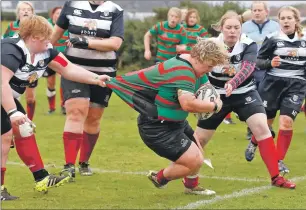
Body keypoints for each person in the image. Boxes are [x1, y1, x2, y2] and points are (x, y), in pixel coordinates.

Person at [1, 15, 110, 200]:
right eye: (45, 38)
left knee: (23, 130)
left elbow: (68, 68)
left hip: (7, 96)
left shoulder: (45, 51)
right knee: (4, 138)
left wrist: (95, 78)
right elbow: (1, 83)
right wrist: (12, 112)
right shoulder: (11, 50)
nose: (49, 42)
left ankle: (41, 178)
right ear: (33, 37)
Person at [106, 37, 228, 194]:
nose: (210, 70)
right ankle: (159, 178)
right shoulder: (182, 71)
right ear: (200, 57)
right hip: (157, 127)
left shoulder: (192, 64)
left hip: (175, 121)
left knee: (198, 154)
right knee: (194, 160)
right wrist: (214, 106)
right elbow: (188, 104)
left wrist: (216, 99)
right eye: (209, 66)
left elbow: (207, 87)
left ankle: (191, 187)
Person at [194, 11, 296, 189]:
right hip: (216, 95)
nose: (233, 31)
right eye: (228, 27)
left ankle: (276, 178)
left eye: (236, 27)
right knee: (199, 139)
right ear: (221, 28)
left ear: (241, 28)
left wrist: (233, 83)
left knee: (262, 129)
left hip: (244, 92)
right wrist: (203, 89)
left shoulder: (248, 43)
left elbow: (248, 67)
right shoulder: (211, 44)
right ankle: (191, 182)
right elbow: (197, 68)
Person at [51, 1, 124, 179]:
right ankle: (69, 166)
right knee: (76, 112)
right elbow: (53, 37)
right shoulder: (72, 4)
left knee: (93, 119)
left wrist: (84, 41)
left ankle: (84, 162)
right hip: (74, 69)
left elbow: (115, 43)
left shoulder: (115, 10)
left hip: (104, 72)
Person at [244, 6, 306, 175]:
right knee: (266, 124)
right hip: (272, 84)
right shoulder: (272, 39)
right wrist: (270, 63)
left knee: (286, 122)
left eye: (289, 18)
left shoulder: (304, 39)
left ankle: (278, 160)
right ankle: (255, 142)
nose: (286, 21)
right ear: (279, 21)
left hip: (296, 85)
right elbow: (258, 61)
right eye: (283, 18)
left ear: (296, 20)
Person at [242, 1, 280, 140]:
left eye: (259, 10)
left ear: (266, 11)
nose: (257, 13)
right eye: (254, 10)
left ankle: (266, 127)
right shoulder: (245, 27)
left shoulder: (275, 26)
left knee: (267, 99)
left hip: (268, 67)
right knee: (251, 98)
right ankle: (251, 129)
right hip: (249, 68)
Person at [2, 1, 37, 122]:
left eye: (28, 9)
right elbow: (4, 41)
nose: (26, 11)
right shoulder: (12, 26)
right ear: (18, 13)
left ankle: (29, 120)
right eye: (23, 9)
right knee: (13, 94)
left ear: (33, 12)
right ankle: (16, 120)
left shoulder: (37, 27)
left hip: (33, 68)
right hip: (14, 66)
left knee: (30, 98)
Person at [44, 6, 69, 115]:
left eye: (61, 13)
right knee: (50, 83)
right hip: (49, 56)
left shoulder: (67, 26)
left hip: (62, 57)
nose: (59, 15)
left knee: (64, 81)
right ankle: (51, 108)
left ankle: (63, 105)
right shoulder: (46, 24)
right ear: (53, 14)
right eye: (57, 13)